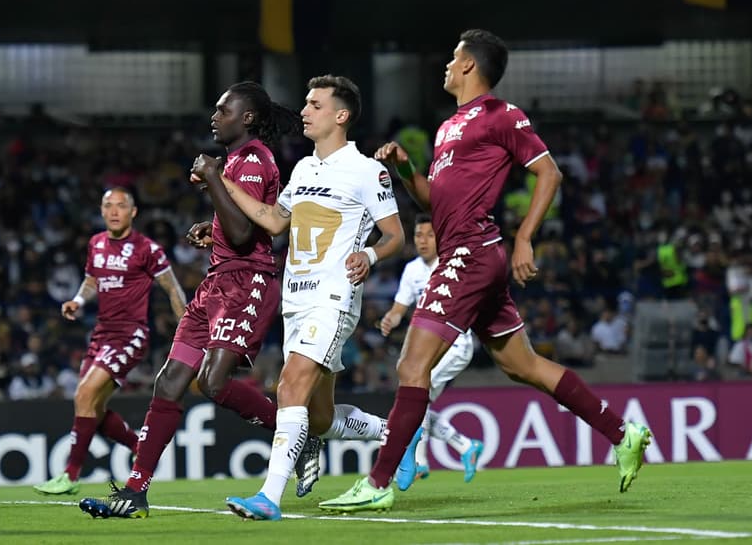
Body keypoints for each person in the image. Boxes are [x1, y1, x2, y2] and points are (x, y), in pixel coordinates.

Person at [319, 29, 650, 513]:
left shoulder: (501, 114)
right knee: (521, 366)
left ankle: (377, 482)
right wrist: (407, 169)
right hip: (469, 252)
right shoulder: (448, 127)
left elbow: (550, 172)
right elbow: (434, 202)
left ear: (470, 65)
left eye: (453, 58)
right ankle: (622, 433)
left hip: (470, 253)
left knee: (412, 366)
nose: (446, 65)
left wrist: (525, 237)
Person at [79, 82, 297, 519]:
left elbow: (244, 235)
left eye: (223, 110)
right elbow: (236, 225)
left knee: (213, 382)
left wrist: (213, 179)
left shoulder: (253, 160)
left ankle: (296, 434)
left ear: (247, 118)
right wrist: (211, 227)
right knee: (169, 382)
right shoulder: (235, 161)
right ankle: (136, 492)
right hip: (217, 283)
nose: (214, 117)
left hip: (246, 282)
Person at [219, 75, 404, 522]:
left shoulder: (366, 170)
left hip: (333, 296)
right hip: (296, 300)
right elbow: (273, 220)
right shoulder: (303, 168)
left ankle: (269, 497)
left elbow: (395, 235)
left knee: (289, 386)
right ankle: (398, 432)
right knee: (319, 418)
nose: (303, 111)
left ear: (341, 115)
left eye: (315, 105)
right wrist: (222, 186)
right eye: (305, 103)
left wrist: (370, 255)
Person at [36, 187, 188, 495]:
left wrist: (188, 333)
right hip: (101, 334)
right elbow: (92, 279)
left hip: (130, 335)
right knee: (91, 405)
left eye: (121, 206)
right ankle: (138, 446)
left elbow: (172, 288)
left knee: (85, 393)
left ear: (133, 212)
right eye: (108, 206)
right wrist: (78, 300)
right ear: (102, 211)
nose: (114, 211)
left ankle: (70, 475)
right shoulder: (96, 243)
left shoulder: (147, 249)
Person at [381, 214, 485, 490]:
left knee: (417, 396)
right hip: (428, 347)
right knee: (419, 401)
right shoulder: (412, 270)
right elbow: (400, 307)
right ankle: (465, 446)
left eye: (430, 235)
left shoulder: (452, 265)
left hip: (456, 344)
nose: (423, 241)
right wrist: (391, 318)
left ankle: (421, 461)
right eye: (419, 235)